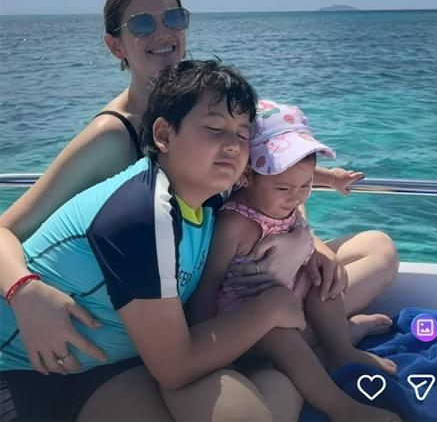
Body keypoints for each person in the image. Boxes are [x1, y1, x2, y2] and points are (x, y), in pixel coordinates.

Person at [0, 0, 362, 388]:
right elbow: (8, 229)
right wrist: (24, 291)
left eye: (173, 18)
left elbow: (269, 175)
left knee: (374, 251)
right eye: (142, 24)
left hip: (214, 278)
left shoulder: (209, 104)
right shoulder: (113, 136)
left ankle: (310, 343)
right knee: (273, 379)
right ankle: (308, 345)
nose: (162, 32)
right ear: (115, 45)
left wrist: (310, 243)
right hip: (151, 311)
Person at [0, 61, 308, 422]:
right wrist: (271, 307)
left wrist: (307, 245)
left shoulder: (209, 196)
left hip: (109, 365)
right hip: (19, 370)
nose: (232, 146)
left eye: (242, 135)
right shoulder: (142, 212)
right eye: (214, 129)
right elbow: (175, 367)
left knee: (277, 386)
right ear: (163, 135)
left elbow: (280, 190)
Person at [192, 99, 399, 422]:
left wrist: (332, 178)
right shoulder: (235, 225)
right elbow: (207, 288)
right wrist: (214, 355)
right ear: (247, 175)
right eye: (284, 187)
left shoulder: (283, 190)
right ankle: (340, 406)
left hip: (289, 295)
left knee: (322, 281)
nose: (296, 196)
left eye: (306, 186)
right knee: (280, 336)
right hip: (251, 321)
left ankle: (341, 349)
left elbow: (298, 171)